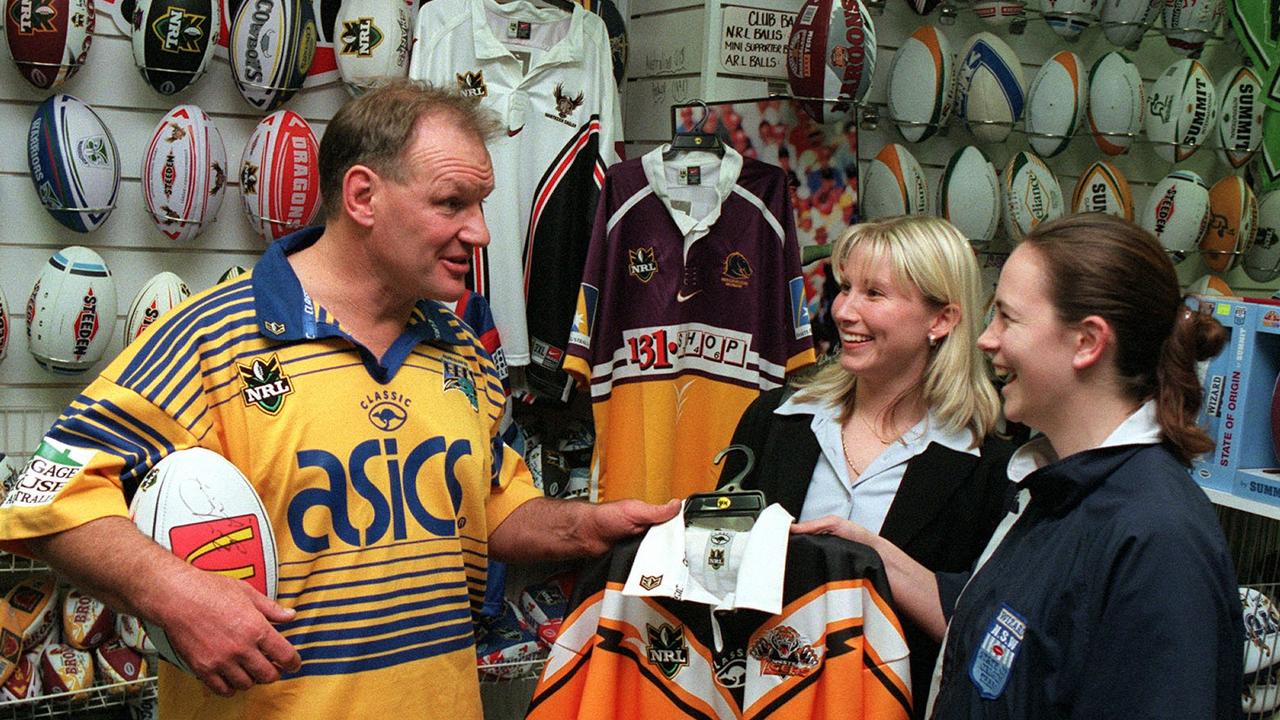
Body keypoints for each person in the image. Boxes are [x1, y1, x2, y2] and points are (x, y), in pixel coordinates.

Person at [0, 80, 677, 720]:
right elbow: (46, 496)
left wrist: (590, 528)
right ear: (362, 196)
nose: (482, 233)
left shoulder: (465, 352)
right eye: (452, 203)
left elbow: (493, 502)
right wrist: (174, 593)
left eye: (482, 204)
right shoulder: (210, 339)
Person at [797, 213, 1242, 718]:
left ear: (1087, 342)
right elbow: (1007, 622)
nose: (986, 340)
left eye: (1007, 318)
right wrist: (865, 551)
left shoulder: (1155, 535)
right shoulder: (1057, 488)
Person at [718, 215, 1014, 716]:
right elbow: (716, 575)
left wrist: (871, 559)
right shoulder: (775, 419)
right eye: (844, 287)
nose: (844, 311)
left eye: (874, 294)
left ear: (941, 319)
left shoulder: (989, 468)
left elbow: (988, 638)